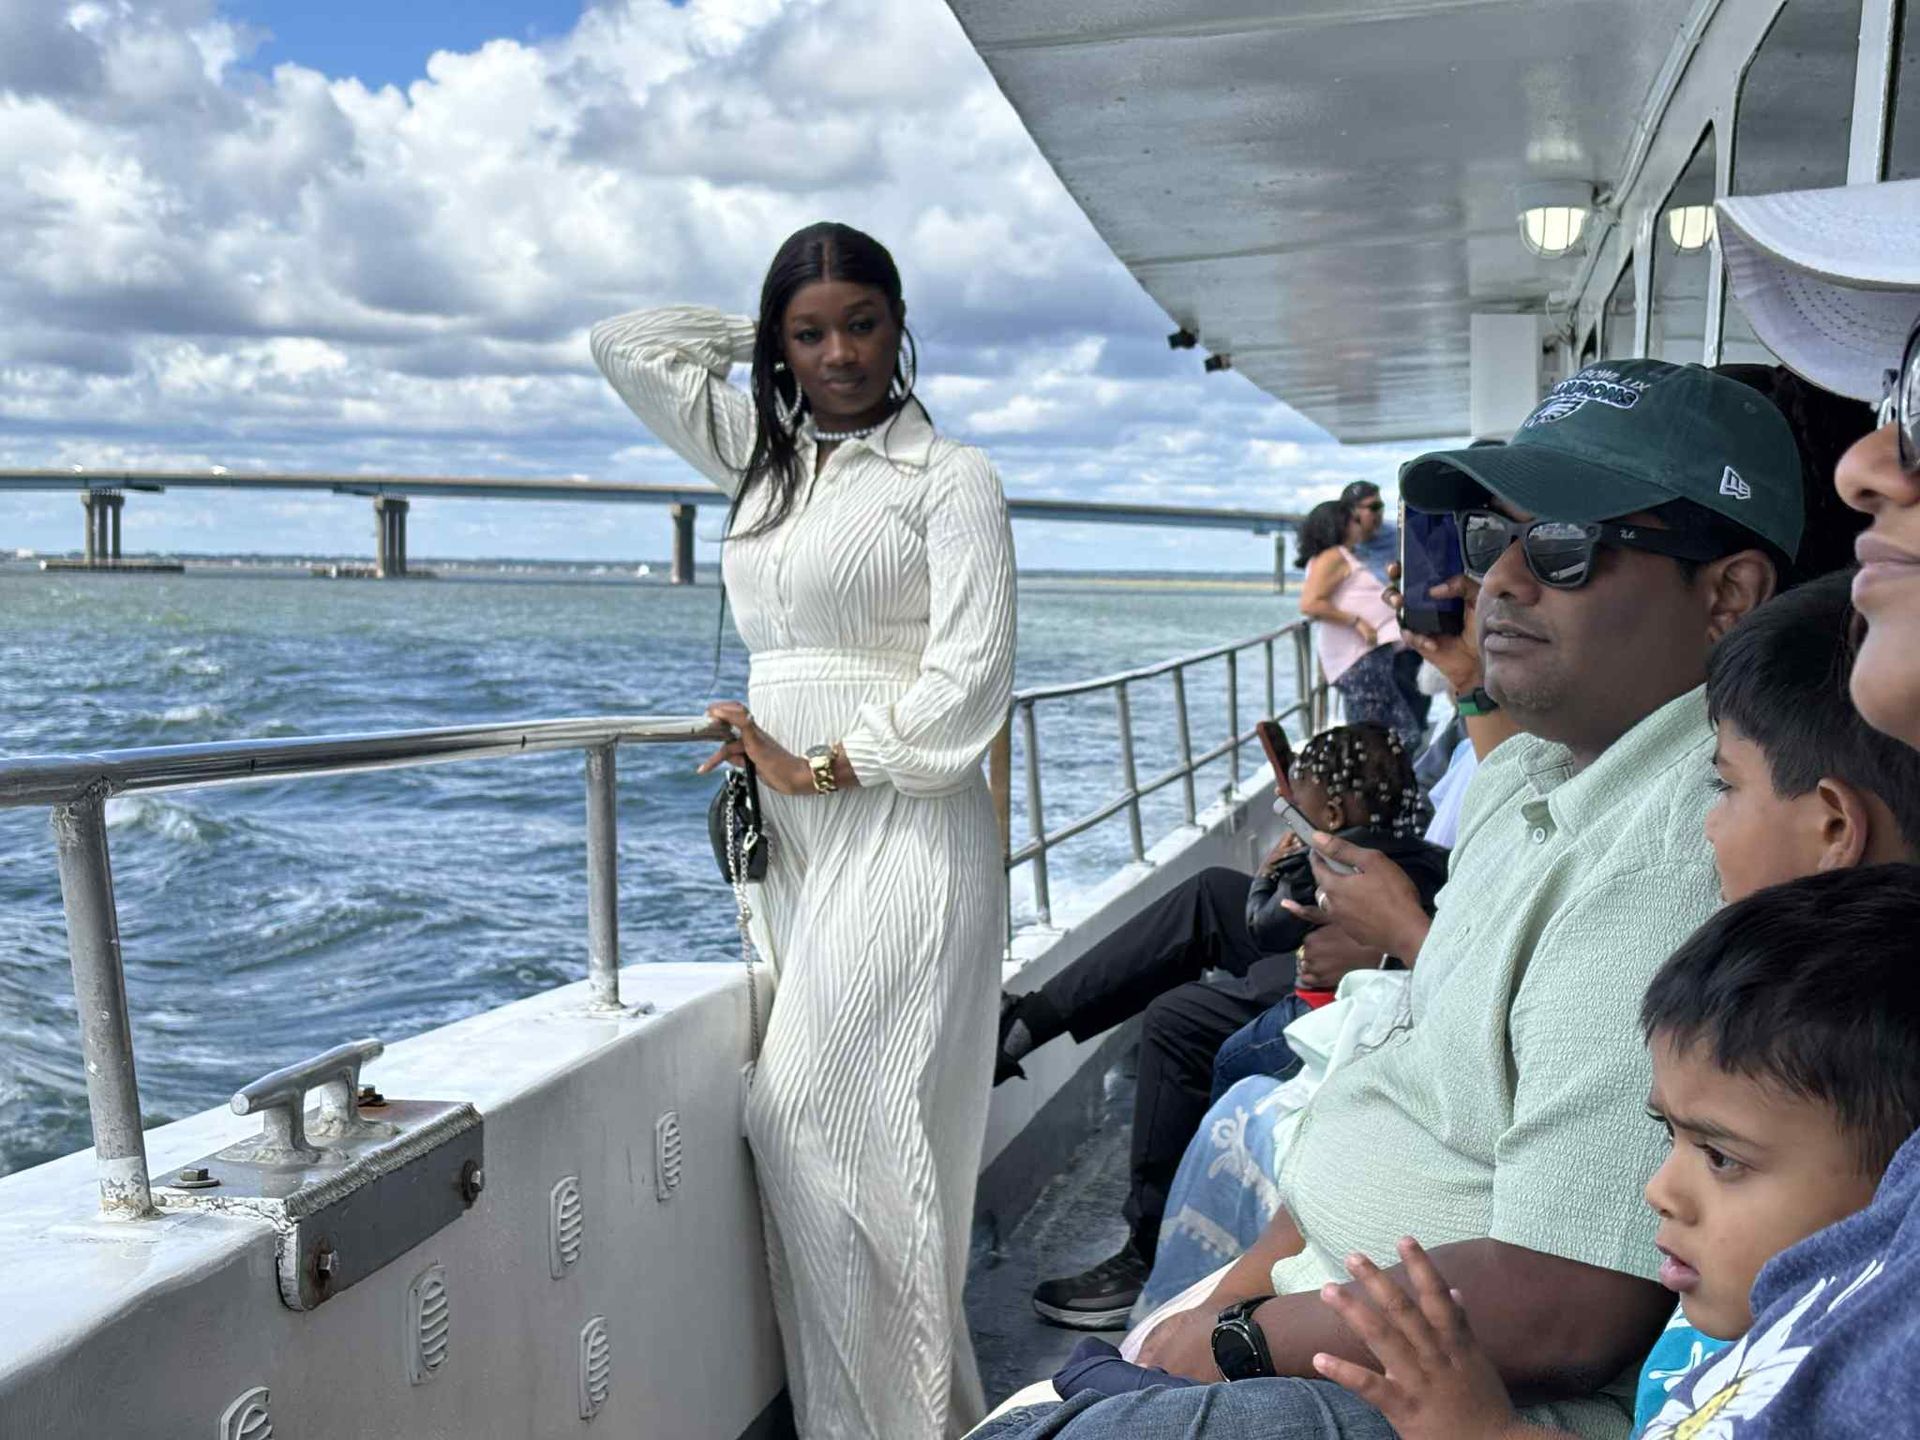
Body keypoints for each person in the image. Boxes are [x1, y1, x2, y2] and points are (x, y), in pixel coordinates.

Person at [970, 357, 1803, 1438]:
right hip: (1325, 1307)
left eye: (1563, 546)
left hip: (1432, 1396)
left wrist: (1233, 1337)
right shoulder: (1537, 768)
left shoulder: (1671, 857)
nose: (1497, 581)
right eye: (1493, 538)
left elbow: (1571, 1308)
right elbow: (1404, 1075)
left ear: (1726, 597)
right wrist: (1249, 1283)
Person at [589, 221, 1016, 1439]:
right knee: (871, 1140)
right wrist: (756, 330)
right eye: (809, 332)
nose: (840, 355)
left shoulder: (952, 479)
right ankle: (900, 1417)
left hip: (910, 828)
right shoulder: (763, 462)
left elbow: (970, 686)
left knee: (807, 1112)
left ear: (900, 322)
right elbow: (627, 347)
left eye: (863, 323)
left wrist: (818, 763)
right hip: (796, 844)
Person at [1307, 866, 1920, 1440]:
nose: (1659, 1190)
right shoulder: (1725, 1318)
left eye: (1721, 1158)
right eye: (1669, 1135)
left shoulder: (1857, 1374)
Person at [1010, 725, 1439, 1330]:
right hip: (1387, 937)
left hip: (1374, 964)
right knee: (1209, 892)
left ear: (1335, 811)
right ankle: (1030, 1019)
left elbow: (1269, 924)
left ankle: (1150, 1252)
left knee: (1178, 1019)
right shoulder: (1464, 767)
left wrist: (1284, 878)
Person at [1295, 500, 1422, 746]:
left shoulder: (1343, 556)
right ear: (1338, 525)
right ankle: (1377, 782)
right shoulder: (1333, 556)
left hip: (1370, 657)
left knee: (1376, 739)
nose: (1360, 524)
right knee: (1396, 738)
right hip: (1358, 660)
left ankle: (1373, 781)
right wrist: (1358, 622)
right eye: (1354, 520)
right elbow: (1310, 603)